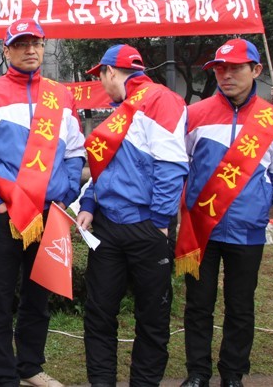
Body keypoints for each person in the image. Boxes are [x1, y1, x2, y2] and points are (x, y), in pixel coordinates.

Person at [0, 18, 85, 387]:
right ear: (6, 50)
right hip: (6, 215)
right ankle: (4, 376)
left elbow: (76, 151)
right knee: (0, 300)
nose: (30, 50)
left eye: (36, 43)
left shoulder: (61, 96)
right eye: (20, 44)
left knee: (39, 296)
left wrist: (66, 191)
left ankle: (30, 367)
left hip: (50, 214)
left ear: (44, 47)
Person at [176, 39, 273, 387]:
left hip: (247, 230)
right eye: (220, 68)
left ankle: (232, 374)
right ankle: (197, 373)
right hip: (201, 229)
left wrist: (257, 202)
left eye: (235, 68)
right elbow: (179, 165)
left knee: (240, 306)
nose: (226, 75)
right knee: (199, 305)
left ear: (256, 70)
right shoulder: (195, 114)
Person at [75, 44, 188, 387]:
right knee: (98, 313)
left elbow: (172, 166)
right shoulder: (119, 110)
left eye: (100, 76)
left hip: (146, 227)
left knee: (152, 317)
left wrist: (159, 223)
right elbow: (103, 170)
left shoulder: (160, 100)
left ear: (110, 71)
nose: (101, 83)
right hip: (107, 227)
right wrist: (89, 204)